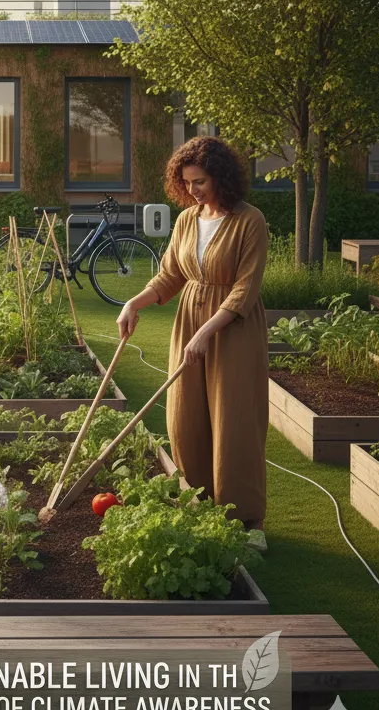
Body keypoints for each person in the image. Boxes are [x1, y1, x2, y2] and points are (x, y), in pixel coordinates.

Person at [115, 136, 269, 551]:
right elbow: (169, 276)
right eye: (186, 183)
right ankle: (197, 505)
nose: (193, 190)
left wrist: (206, 332)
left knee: (233, 423)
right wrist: (134, 302)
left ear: (221, 176)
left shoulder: (250, 221)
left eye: (199, 181)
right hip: (189, 323)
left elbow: (244, 290)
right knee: (185, 418)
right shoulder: (186, 221)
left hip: (232, 331)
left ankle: (246, 521)